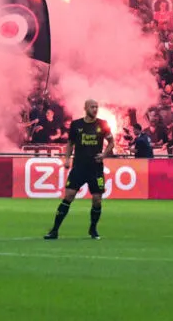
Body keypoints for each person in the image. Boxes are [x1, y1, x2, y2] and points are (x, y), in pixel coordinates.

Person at [45, 99, 113, 241]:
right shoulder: (76, 125)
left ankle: (93, 229)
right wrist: (67, 159)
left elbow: (111, 142)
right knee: (68, 196)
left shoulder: (103, 124)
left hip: (95, 168)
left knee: (97, 200)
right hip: (79, 167)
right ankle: (54, 230)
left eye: (96, 107)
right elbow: (70, 143)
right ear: (86, 108)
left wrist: (104, 154)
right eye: (92, 107)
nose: (95, 109)